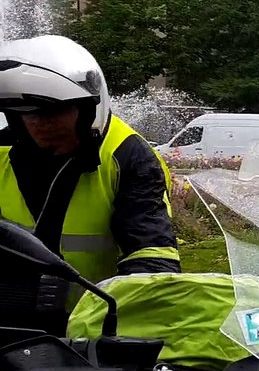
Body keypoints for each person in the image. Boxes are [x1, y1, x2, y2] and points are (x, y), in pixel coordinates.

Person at [0, 36, 180, 310]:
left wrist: (125, 321)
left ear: (87, 108)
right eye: (28, 113)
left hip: (95, 324)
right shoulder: (3, 151)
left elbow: (152, 254)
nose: (41, 124)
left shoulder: (128, 157)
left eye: (53, 110)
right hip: (14, 318)